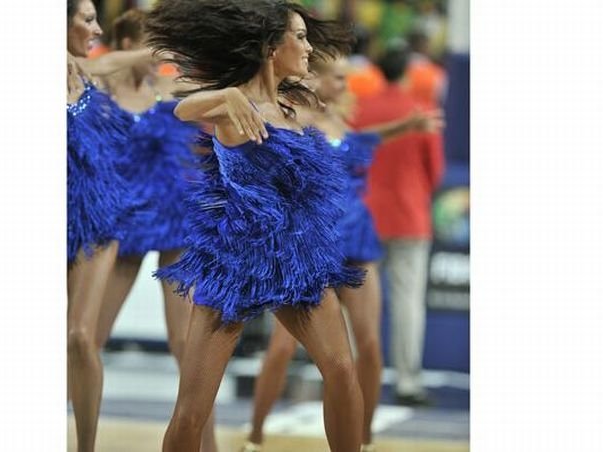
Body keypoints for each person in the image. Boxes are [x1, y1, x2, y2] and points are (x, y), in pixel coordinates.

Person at [145, 1, 365, 450]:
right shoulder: (234, 105)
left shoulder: (293, 106)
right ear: (270, 47)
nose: (307, 47)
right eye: (299, 37)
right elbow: (181, 109)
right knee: (191, 412)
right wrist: (225, 95)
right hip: (233, 262)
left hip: (296, 259)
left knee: (342, 370)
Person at [242, 57, 442, 452]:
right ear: (312, 80)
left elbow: (365, 140)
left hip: (358, 241)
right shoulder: (294, 120)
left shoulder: (342, 122)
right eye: (336, 78)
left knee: (368, 344)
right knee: (281, 348)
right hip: (315, 245)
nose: (345, 84)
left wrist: (406, 127)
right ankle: (256, 434)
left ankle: (362, 438)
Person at [91, 9, 220, 452]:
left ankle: (210, 445)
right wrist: (149, 50)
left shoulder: (165, 86)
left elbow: (213, 90)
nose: (160, 54)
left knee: (187, 345)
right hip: (124, 223)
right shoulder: (103, 87)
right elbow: (97, 64)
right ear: (127, 45)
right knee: (89, 338)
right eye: (148, 42)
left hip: (176, 220)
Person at [66, 1, 153, 451]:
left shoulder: (89, 75)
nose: (96, 27)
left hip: (98, 220)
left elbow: (126, 59)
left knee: (82, 336)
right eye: (86, 19)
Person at [352, 45, 445, 407]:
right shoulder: (421, 112)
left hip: (366, 219)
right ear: (407, 72)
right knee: (408, 303)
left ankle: (355, 378)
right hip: (409, 218)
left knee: (359, 304)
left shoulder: (360, 110)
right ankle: (407, 383)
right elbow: (435, 172)